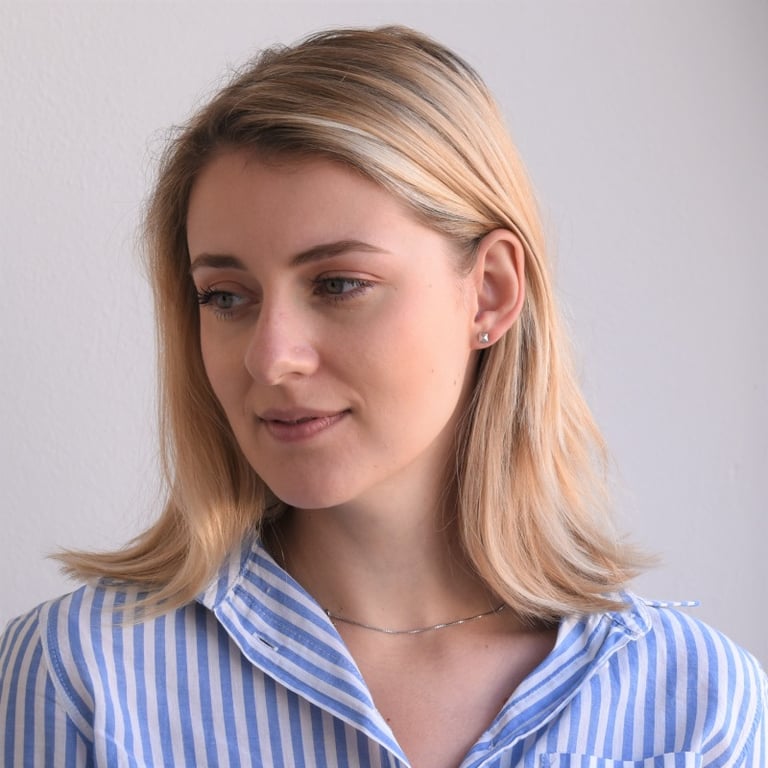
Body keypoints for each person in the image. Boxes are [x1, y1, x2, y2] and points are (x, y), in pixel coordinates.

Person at [0, 25, 765, 768]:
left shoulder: (693, 705)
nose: (271, 357)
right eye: (226, 297)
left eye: (339, 284)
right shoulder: (84, 679)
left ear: (490, 292)